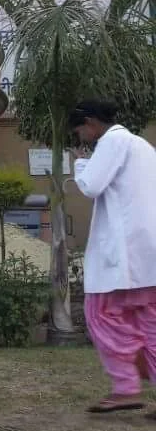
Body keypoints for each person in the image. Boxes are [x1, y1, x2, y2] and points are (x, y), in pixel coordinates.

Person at [69, 99, 156, 414]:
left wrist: (80, 162)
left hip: (125, 252)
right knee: (150, 319)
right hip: (147, 251)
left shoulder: (112, 140)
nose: (79, 137)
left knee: (100, 313)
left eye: (79, 129)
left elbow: (91, 186)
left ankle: (125, 386)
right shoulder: (143, 146)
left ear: (90, 122)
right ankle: (133, 378)